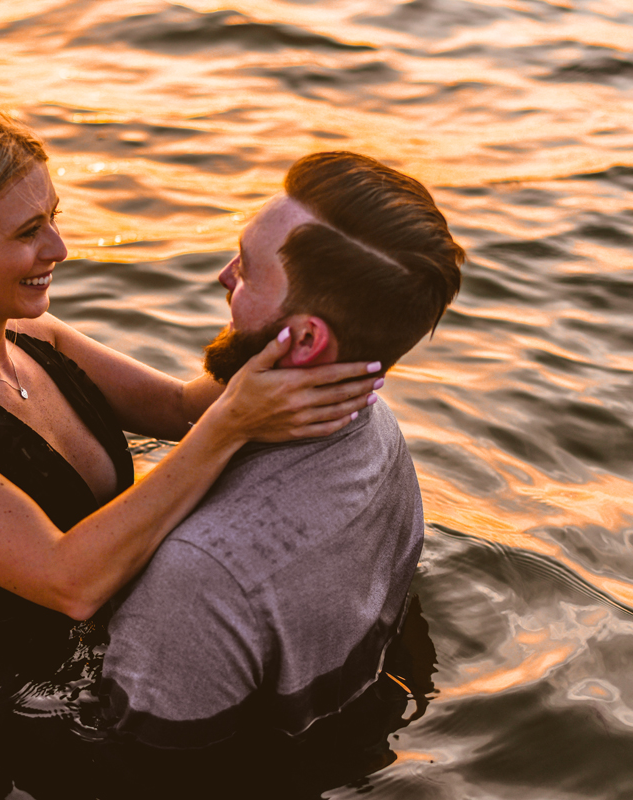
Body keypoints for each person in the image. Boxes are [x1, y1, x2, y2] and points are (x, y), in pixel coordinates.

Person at [0, 107, 382, 643]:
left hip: (114, 659)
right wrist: (231, 425)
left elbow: (183, 408)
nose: (58, 248)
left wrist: (307, 325)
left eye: (53, 219)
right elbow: (70, 583)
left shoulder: (39, 339)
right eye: (27, 231)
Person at [99, 151, 464, 748]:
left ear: (304, 339)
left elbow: (133, 768)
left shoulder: (202, 577)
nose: (222, 276)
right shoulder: (379, 430)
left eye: (245, 270)